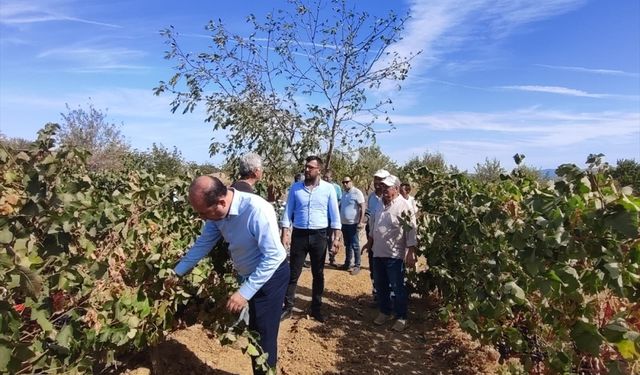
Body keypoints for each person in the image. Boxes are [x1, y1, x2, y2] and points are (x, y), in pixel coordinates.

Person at [171, 176, 289, 373]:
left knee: (263, 337)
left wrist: (245, 292)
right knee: (255, 331)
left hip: (270, 277)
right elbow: (203, 244)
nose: (202, 218)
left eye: (204, 213)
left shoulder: (256, 210)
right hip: (248, 274)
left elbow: (275, 256)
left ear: (221, 202)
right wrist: (177, 272)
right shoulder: (216, 216)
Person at [280, 156, 341, 322]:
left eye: (310, 167)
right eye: (306, 167)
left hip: (319, 235)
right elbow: (288, 212)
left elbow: (335, 215)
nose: (307, 170)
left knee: (318, 273)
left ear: (318, 170)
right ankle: (288, 307)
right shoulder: (296, 188)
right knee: (293, 272)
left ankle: (316, 308)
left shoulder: (328, 189)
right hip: (299, 235)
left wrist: (336, 238)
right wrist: (285, 232)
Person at [362, 174, 417, 332]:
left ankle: (401, 317)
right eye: (382, 186)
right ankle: (385, 312)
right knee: (381, 285)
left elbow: (411, 229)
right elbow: (374, 224)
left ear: (397, 189)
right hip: (378, 252)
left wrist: (410, 251)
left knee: (397, 287)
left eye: (387, 187)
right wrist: (369, 242)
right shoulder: (380, 203)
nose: (383, 189)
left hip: (394, 254)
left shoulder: (403, 206)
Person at [363, 169, 390, 301]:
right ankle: (376, 293)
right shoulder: (372, 197)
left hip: (388, 236)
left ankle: (389, 296)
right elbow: (369, 213)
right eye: (375, 179)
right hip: (372, 233)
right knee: (374, 264)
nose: (377, 182)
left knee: (388, 266)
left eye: (380, 179)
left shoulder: (392, 198)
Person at [338, 176, 366, 275]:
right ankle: (347, 263)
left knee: (355, 245)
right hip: (344, 224)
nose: (345, 184)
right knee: (347, 245)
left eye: (347, 182)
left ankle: (357, 265)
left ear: (351, 182)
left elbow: (362, 207)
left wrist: (361, 222)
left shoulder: (357, 192)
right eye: (343, 182)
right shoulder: (344, 193)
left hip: (353, 224)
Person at [323, 169, 342, 268]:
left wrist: (334, 211)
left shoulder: (336, 188)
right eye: (324, 177)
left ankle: (332, 258)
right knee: (323, 238)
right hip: (323, 218)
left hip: (332, 218)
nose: (326, 179)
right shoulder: (320, 186)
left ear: (331, 177)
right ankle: (321, 258)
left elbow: (339, 201)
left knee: (333, 238)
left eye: (328, 177)